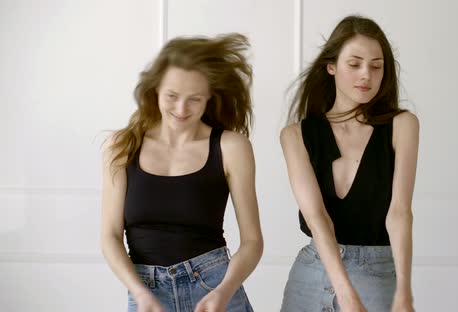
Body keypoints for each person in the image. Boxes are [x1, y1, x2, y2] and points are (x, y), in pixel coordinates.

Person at [100, 33, 263, 312]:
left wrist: (224, 291)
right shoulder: (123, 146)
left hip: (215, 288)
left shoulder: (231, 147)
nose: (181, 109)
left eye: (194, 99)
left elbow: (252, 241)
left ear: (210, 96)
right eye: (172, 96)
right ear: (155, 90)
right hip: (146, 294)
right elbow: (110, 236)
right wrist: (139, 293)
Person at [279, 15, 418, 312]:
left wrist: (404, 292)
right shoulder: (295, 136)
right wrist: (346, 295)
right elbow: (317, 218)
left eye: (376, 66)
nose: (366, 74)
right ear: (331, 67)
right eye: (354, 65)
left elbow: (399, 213)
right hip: (312, 274)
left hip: (378, 273)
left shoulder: (402, 126)